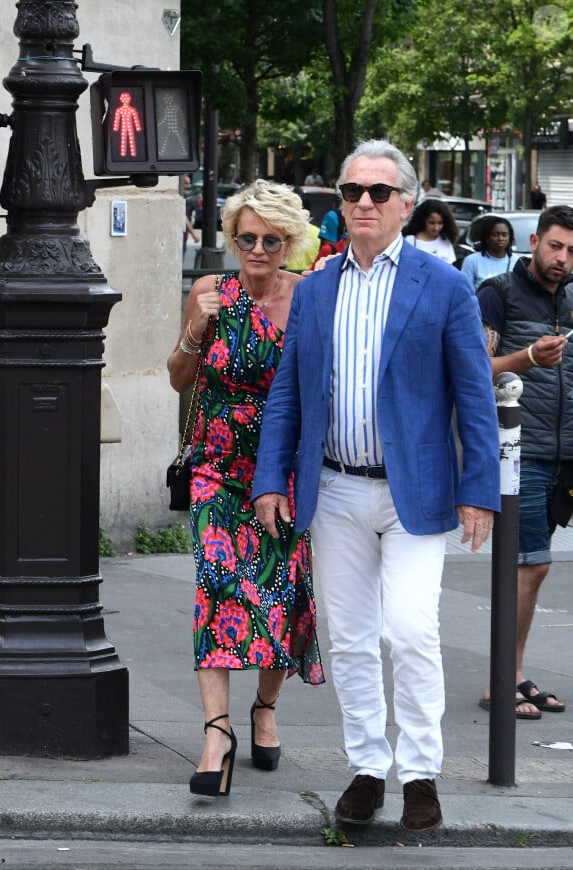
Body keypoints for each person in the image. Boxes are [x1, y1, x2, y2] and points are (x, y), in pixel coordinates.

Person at [252, 139, 500, 832]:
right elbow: (288, 396)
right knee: (352, 638)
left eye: (379, 193)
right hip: (331, 490)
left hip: (415, 492)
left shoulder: (444, 285)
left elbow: (474, 397)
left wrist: (479, 487)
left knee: (411, 629)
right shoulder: (317, 287)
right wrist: (273, 478)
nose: (363, 202)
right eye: (352, 192)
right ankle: (368, 767)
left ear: (407, 204)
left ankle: (421, 773)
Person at [167, 179, 324, 798]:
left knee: (276, 598)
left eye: (271, 239)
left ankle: (264, 707)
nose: (258, 249)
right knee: (217, 587)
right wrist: (194, 334)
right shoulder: (209, 293)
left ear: (291, 242)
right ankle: (217, 733)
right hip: (215, 470)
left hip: (281, 472)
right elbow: (179, 379)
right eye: (247, 237)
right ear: (232, 239)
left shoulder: (310, 299)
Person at [476, 205, 573, 719]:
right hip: (518, 450)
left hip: (564, 450)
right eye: (555, 246)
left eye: (572, 251)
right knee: (529, 563)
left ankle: (510, 672)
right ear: (534, 241)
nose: (562, 258)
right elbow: (472, 365)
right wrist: (529, 358)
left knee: (533, 568)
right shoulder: (498, 293)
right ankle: (501, 678)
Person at [461, 216, 520, 290]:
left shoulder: (517, 262)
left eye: (504, 235)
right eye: (495, 235)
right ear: (487, 238)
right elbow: (464, 292)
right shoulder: (472, 261)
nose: (500, 238)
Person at [403, 198, 458, 264]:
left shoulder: (446, 241)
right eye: (431, 223)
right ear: (423, 220)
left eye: (440, 223)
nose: (436, 228)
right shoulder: (410, 240)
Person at [181, 175, 200, 257]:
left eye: (189, 184)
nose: (188, 186)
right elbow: (182, 216)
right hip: (180, 238)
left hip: (184, 237)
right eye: (185, 183)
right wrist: (193, 233)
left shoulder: (185, 197)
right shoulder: (179, 198)